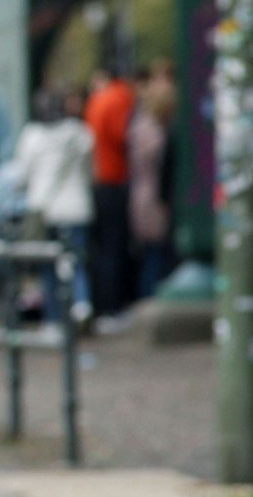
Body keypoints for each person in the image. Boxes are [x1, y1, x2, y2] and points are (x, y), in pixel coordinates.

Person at [12, 88, 94, 325]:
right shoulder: (79, 133)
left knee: (49, 266)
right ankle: (81, 304)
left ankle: (54, 317)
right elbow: (89, 170)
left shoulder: (32, 135)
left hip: (45, 208)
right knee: (76, 261)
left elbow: (21, 174)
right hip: (77, 206)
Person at [84, 66, 136, 317]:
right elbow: (122, 137)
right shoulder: (120, 99)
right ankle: (113, 305)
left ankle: (104, 304)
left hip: (100, 179)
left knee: (103, 248)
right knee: (115, 247)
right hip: (114, 178)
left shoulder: (98, 100)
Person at [129, 70, 178, 297]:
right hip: (154, 199)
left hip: (141, 195)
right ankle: (150, 299)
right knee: (156, 256)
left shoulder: (138, 127)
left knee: (150, 255)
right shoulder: (156, 132)